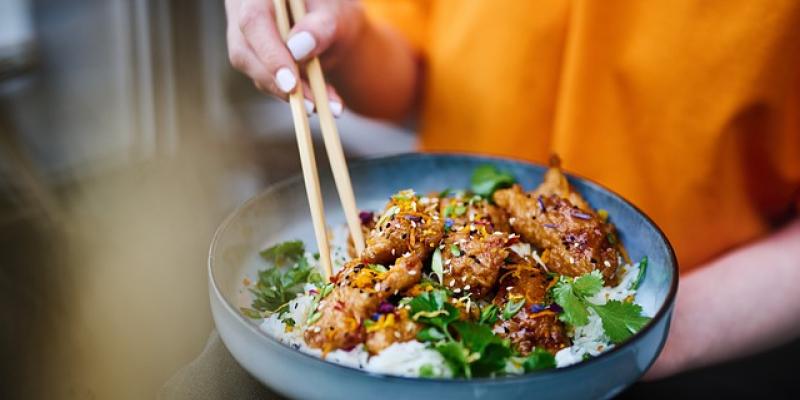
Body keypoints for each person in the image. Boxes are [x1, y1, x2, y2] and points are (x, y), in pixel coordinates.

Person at [224, 0, 800, 380]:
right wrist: (343, 42)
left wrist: (652, 334)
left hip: (715, 335)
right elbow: (414, 73)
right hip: (446, 230)